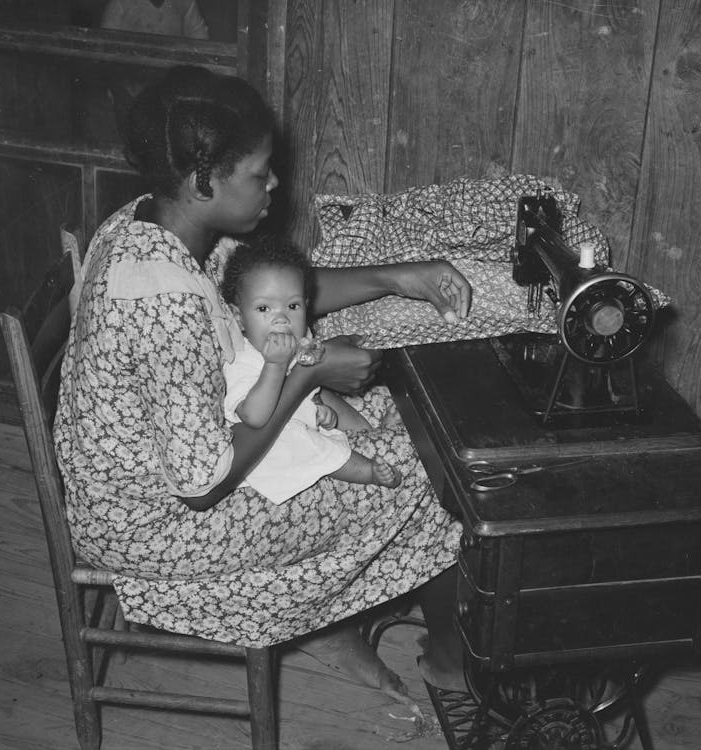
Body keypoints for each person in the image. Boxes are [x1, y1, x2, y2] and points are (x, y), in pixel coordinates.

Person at [53, 65, 473, 707]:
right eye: (258, 173)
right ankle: (445, 660)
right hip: (155, 524)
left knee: (397, 415)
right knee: (436, 475)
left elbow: (270, 296)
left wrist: (399, 276)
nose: (274, 183)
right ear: (204, 180)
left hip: (169, 461)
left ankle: (327, 614)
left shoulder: (160, 223)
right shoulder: (159, 300)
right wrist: (308, 375)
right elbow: (203, 484)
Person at [220, 236, 401, 504]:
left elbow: (307, 389)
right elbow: (255, 417)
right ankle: (366, 471)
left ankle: (373, 436)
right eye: (263, 308)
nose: (281, 318)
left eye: (292, 306)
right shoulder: (240, 361)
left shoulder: (298, 336)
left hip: (299, 415)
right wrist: (275, 365)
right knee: (300, 443)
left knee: (333, 410)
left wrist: (317, 410)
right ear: (238, 318)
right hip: (265, 444)